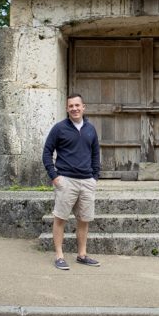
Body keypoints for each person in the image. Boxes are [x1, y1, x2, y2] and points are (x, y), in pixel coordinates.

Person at [42, 93, 101, 270]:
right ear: (67, 108)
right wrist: (54, 176)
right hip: (66, 180)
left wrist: (94, 177)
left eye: (77, 105)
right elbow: (47, 152)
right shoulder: (59, 129)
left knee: (84, 220)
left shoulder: (91, 129)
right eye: (71, 106)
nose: (74, 109)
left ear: (83, 107)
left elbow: (95, 154)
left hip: (87, 182)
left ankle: (82, 255)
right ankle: (59, 256)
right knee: (60, 219)